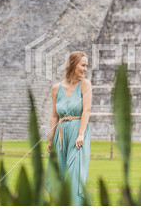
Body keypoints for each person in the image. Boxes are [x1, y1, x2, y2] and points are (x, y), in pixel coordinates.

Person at [45, 51, 92, 205]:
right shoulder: (55, 88)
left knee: (74, 174)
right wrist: (51, 140)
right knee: (58, 174)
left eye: (86, 66)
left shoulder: (85, 84)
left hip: (78, 135)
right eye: (83, 65)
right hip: (60, 136)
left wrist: (81, 134)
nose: (85, 69)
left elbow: (87, 110)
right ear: (73, 64)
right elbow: (54, 116)